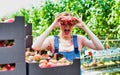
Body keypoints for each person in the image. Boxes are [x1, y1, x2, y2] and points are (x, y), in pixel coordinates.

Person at [32, 12, 104, 62]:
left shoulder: (80, 39)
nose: (67, 26)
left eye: (70, 24)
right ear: (59, 24)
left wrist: (84, 27)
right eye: (63, 23)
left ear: (73, 25)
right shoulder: (52, 39)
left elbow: (100, 47)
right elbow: (35, 46)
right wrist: (52, 26)